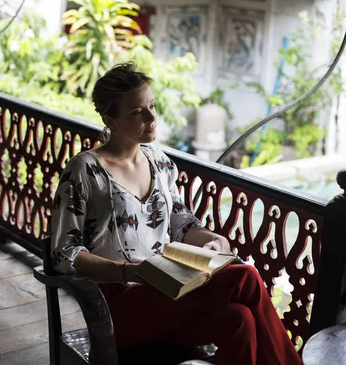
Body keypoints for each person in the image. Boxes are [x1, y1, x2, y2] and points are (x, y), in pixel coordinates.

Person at [50, 62, 301, 365]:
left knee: (240, 320)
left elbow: (181, 221)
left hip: (168, 296)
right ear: (109, 119)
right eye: (137, 112)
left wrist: (211, 239)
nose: (152, 118)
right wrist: (129, 271)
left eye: (152, 106)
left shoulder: (160, 161)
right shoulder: (85, 171)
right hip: (115, 311)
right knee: (244, 277)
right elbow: (64, 254)